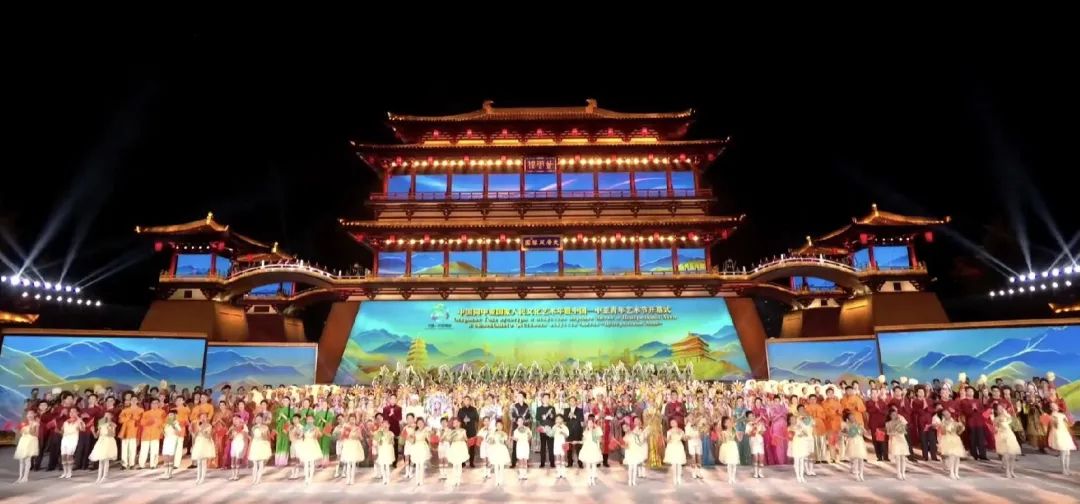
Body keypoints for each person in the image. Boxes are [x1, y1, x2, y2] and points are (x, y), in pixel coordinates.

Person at [1047, 402, 1075, 475]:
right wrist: (1054, 419)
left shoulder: (1062, 414)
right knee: (1063, 452)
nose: (1056, 406)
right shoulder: (1052, 416)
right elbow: (1054, 426)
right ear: (1051, 408)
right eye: (1053, 406)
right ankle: (1063, 469)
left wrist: (1068, 416)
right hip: (1058, 434)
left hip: (1065, 433)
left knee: (1068, 453)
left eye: (1056, 405)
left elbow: (1069, 423)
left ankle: (1068, 469)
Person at [937, 408, 966, 480]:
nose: (947, 415)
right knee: (952, 457)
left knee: (957, 457)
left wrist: (961, 427)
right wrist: (946, 427)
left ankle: (956, 473)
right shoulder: (943, 423)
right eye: (945, 414)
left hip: (956, 439)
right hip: (948, 440)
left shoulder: (954, 422)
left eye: (948, 413)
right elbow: (943, 433)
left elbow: (958, 432)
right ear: (943, 416)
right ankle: (951, 472)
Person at [90, 413, 118, 484]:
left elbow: (113, 435)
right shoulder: (101, 424)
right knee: (101, 459)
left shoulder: (112, 424)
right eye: (105, 415)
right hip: (101, 441)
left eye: (108, 415)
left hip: (108, 441)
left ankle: (105, 476)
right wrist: (93, 431)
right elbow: (96, 436)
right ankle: (99, 476)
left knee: (106, 459)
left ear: (111, 416)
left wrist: (109, 429)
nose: (106, 416)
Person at [13, 409, 40, 483]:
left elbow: (36, 434)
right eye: (28, 414)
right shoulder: (24, 423)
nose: (30, 415)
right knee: (21, 460)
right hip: (23, 441)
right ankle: (20, 476)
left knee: (27, 460)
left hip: (31, 441)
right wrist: (17, 430)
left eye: (31, 414)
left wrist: (31, 429)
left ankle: (25, 477)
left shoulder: (36, 423)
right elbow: (21, 432)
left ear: (34, 415)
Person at [138, 398, 164, 469]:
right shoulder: (146, 413)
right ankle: (141, 465)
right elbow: (142, 422)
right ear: (150, 404)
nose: (154, 405)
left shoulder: (162, 412)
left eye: (156, 403)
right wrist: (150, 421)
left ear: (158, 404)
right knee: (144, 449)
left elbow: (164, 422)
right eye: (153, 403)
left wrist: (161, 431)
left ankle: (153, 464)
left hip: (156, 433)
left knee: (154, 450)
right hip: (146, 434)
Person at [298, 414, 323, 485]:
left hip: (313, 445)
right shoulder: (304, 428)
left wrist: (316, 431)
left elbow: (319, 435)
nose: (309, 420)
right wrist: (298, 432)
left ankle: (311, 478)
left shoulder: (316, 428)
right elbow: (300, 436)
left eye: (311, 419)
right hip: (305, 444)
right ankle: (306, 478)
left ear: (313, 420)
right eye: (308, 419)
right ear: (306, 420)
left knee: (312, 462)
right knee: (306, 463)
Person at [339, 415, 365, 485]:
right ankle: (348, 479)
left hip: (355, 445)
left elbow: (361, 438)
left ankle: (352, 479)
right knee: (348, 463)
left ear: (355, 420)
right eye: (351, 419)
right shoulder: (346, 427)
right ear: (349, 420)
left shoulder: (357, 428)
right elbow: (342, 437)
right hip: (348, 445)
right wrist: (343, 433)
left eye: (353, 419)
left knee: (353, 463)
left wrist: (358, 435)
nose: (352, 421)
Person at [190, 413, 216, 485]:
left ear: (207, 418)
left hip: (205, 443)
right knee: (198, 462)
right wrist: (192, 432)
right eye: (201, 417)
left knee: (203, 462)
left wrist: (201, 430)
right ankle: (198, 477)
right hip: (198, 443)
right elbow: (195, 436)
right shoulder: (198, 425)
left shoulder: (209, 426)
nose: (203, 418)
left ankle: (202, 478)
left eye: (204, 417)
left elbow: (208, 436)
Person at [59, 407, 84, 479]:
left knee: (69, 456)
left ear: (77, 413)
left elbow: (83, 429)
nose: (72, 413)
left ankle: (69, 472)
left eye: (74, 412)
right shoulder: (66, 422)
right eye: (70, 412)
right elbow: (62, 431)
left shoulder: (78, 421)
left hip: (73, 439)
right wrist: (59, 430)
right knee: (63, 456)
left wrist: (79, 420)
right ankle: (64, 472)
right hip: (65, 439)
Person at [842, 411, 867, 481]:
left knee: (861, 459)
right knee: (855, 459)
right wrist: (848, 435)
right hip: (852, 442)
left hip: (859, 441)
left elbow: (864, 432)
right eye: (851, 417)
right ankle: (856, 475)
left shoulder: (859, 424)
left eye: (853, 416)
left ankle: (861, 474)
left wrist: (862, 431)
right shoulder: (847, 425)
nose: (852, 418)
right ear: (848, 418)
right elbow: (842, 433)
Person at [579, 416, 604, 486]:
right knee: (588, 465)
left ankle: (593, 479)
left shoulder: (596, 430)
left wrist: (597, 438)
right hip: (587, 448)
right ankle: (588, 478)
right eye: (588, 423)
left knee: (593, 464)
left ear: (593, 423)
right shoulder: (585, 432)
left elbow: (600, 440)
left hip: (594, 448)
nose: (590, 424)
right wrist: (579, 442)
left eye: (591, 423)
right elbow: (583, 440)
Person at [486, 419, 511, 487]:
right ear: (496, 426)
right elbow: (489, 441)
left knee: (501, 465)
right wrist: (491, 440)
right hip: (495, 450)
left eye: (500, 425)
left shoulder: (504, 433)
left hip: (502, 449)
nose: (499, 426)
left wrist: (508, 440)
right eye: (497, 425)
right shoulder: (493, 433)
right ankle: (497, 480)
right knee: (496, 466)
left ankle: (501, 480)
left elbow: (507, 442)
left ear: (502, 426)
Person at [119, 397, 142, 470]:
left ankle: (132, 464)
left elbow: (142, 420)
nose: (134, 401)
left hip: (135, 430)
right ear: (130, 401)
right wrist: (128, 418)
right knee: (124, 448)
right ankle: (124, 464)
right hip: (125, 431)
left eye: (135, 400)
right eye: (132, 400)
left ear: (137, 401)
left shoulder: (141, 410)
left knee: (133, 448)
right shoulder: (125, 410)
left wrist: (136, 419)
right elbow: (120, 420)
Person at [886, 408, 910, 480]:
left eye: (895, 414)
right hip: (895, 441)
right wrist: (894, 432)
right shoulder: (888, 423)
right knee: (898, 458)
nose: (894, 416)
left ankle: (903, 473)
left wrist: (901, 426)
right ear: (890, 416)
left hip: (902, 440)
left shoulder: (900, 421)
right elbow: (888, 433)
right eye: (893, 415)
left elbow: (905, 430)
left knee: (903, 457)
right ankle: (898, 473)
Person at [249, 414, 272, 484]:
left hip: (262, 445)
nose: (258, 420)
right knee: (255, 463)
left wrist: (268, 445)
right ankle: (254, 478)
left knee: (261, 462)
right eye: (257, 419)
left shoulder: (265, 427)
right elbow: (252, 437)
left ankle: (258, 479)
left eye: (260, 419)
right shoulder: (253, 428)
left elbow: (268, 437)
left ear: (262, 420)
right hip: (255, 445)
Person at [456, 396, 479, 468]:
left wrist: (470, 419)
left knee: (472, 447)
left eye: (468, 400)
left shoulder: (474, 409)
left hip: (471, 429)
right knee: (463, 446)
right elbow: (458, 420)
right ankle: (463, 462)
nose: (466, 401)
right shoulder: (461, 410)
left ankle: (471, 462)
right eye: (465, 400)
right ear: (463, 401)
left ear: (470, 401)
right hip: (463, 430)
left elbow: (477, 419)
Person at [623, 419, 647, 486]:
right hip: (630, 452)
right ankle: (630, 481)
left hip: (636, 451)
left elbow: (640, 441)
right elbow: (626, 444)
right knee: (630, 468)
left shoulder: (636, 434)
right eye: (624, 428)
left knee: (635, 467)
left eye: (627, 427)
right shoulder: (626, 436)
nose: (626, 429)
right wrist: (625, 446)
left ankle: (634, 481)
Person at [446, 418, 469, 488]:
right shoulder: (452, 431)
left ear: (459, 423)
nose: (455, 424)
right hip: (454, 446)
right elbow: (449, 440)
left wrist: (465, 439)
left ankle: (458, 479)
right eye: (454, 423)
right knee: (454, 464)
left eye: (456, 422)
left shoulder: (463, 430)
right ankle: (454, 479)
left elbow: (466, 439)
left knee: (459, 464)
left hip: (461, 446)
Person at [663, 418, 686, 486]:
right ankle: (674, 478)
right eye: (672, 423)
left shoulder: (681, 430)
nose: (673, 423)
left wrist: (687, 436)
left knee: (679, 463)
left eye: (674, 422)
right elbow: (667, 441)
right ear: (670, 424)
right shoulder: (669, 431)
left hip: (679, 446)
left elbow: (684, 438)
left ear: (677, 423)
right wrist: (666, 439)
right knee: (674, 464)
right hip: (672, 447)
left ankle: (679, 478)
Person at [536, 393, 556, 469]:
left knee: (551, 446)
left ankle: (552, 462)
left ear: (549, 399)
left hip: (550, 430)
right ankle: (542, 463)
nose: (546, 399)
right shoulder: (539, 408)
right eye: (544, 398)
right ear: (542, 399)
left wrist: (551, 415)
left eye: (547, 398)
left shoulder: (552, 408)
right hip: (543, 429)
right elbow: (537, 418)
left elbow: (554, 418)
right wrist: (542, 417)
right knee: (543, 447)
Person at [410, 418, 432, 486]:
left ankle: (421, 480)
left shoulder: (426, 430)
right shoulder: (415, 431)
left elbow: (429, 439)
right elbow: (412, 441)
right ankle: (417, 480)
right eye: (418, 423)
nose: (420, 424)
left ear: (423, 423)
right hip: (416, 447)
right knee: (417, 464)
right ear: (417, 424)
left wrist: (429, 434)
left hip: (423, 447)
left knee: (422, 464)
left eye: (421, 422)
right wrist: (412, 434)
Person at [228, 415, 250, 481]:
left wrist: (241, 432)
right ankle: (233, 474)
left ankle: (237, 474)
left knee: (237, 458)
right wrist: (231, 434)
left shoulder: (244, 426)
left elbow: (246, 436)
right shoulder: (233, 427)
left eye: (236, 419)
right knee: (233, 458)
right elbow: (230, 436)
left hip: (240, 443)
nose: (235, 421)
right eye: (234, 420)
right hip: (234, 443)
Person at [718, 416, 740, 484]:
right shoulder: (724, 432)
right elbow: (723, 441)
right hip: (727, 447)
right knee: (729, 463)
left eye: (730, 422)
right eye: (727, 422)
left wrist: (737, 433)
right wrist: (721, 436)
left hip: (733, 446)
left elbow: (738, 439)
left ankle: (733, 477)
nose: (729, 423)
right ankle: (730, 478)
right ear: (725, 424)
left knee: (734, 463)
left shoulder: (734, 430)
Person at [374, 419, 395, 485]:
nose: (385, 425)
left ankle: (388, 478)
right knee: (382, 464)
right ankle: (384, 479)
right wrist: (379, 440)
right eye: (383, 424)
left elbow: (393, 442)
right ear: (382, 425)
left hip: (388, 449)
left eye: (386, 424)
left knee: (387, 465)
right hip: (382, 449)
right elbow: (376, 442)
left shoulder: (391, 433)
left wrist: (391, 440)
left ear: (389, 425)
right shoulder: (379, 433)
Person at [161, 412, 181, 479]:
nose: (170, 416)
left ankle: (170, 473)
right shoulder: (166, 424)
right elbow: (164, 432)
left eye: (172, 415)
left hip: (173, 440)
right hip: (166, 440)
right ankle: (166, 472)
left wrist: (173, 425)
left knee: (171, 456)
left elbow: (179, 431)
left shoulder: (176, 423)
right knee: (165, 455)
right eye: (169, 415)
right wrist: (163, 431)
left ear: (174, 416)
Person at [746, 409, 766, 479]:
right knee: (755, 457)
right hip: (753, 442)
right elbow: (748, 434)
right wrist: (753, 429)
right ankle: (755, 472)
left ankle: (760, 472)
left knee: (761, 457)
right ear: (748, 418)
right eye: (750, 417)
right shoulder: (748, 425)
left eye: (752, 416)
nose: (752, 417)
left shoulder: (760, 423)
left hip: (760, 441)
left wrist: (760, 430)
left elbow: (763, 432)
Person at [512, 415, 532, 480]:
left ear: (523, 421)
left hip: (525, 445)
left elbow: (530, 437)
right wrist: (513, 438)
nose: (520, 422)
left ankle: (525, 474)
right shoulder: (516, 431)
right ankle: (521, 474)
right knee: (520, 460)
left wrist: (529, 435)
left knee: (525, 460)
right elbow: (516, 439)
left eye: (521, 420)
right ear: (517, 422)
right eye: (519, 421)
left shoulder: (527, 429)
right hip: (519, 446)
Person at [551, 414, 570, 480]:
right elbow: (551, 434)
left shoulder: (564, 427)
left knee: (563, 457)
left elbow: (567, 435)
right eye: (557, 419)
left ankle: (563, 472)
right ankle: (558, 472)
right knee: (557, 457)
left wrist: (562, 432)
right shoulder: (554, 427)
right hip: (556, 444)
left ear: (562, 419)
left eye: (559, 419)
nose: (558, 420)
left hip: (563, 443)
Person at [685, 414, 703, 479]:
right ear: (688, 419)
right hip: (692, 443)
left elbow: (701, 434)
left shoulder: (698, 425)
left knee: (699, 458)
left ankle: (699, 472)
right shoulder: (687, 426)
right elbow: (687, 437)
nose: (692, 418)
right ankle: (694, 472)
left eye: (693, 417)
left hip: (698, 442)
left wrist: (700, 434)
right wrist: (693, 436)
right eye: (690, 417)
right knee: (693, 458)